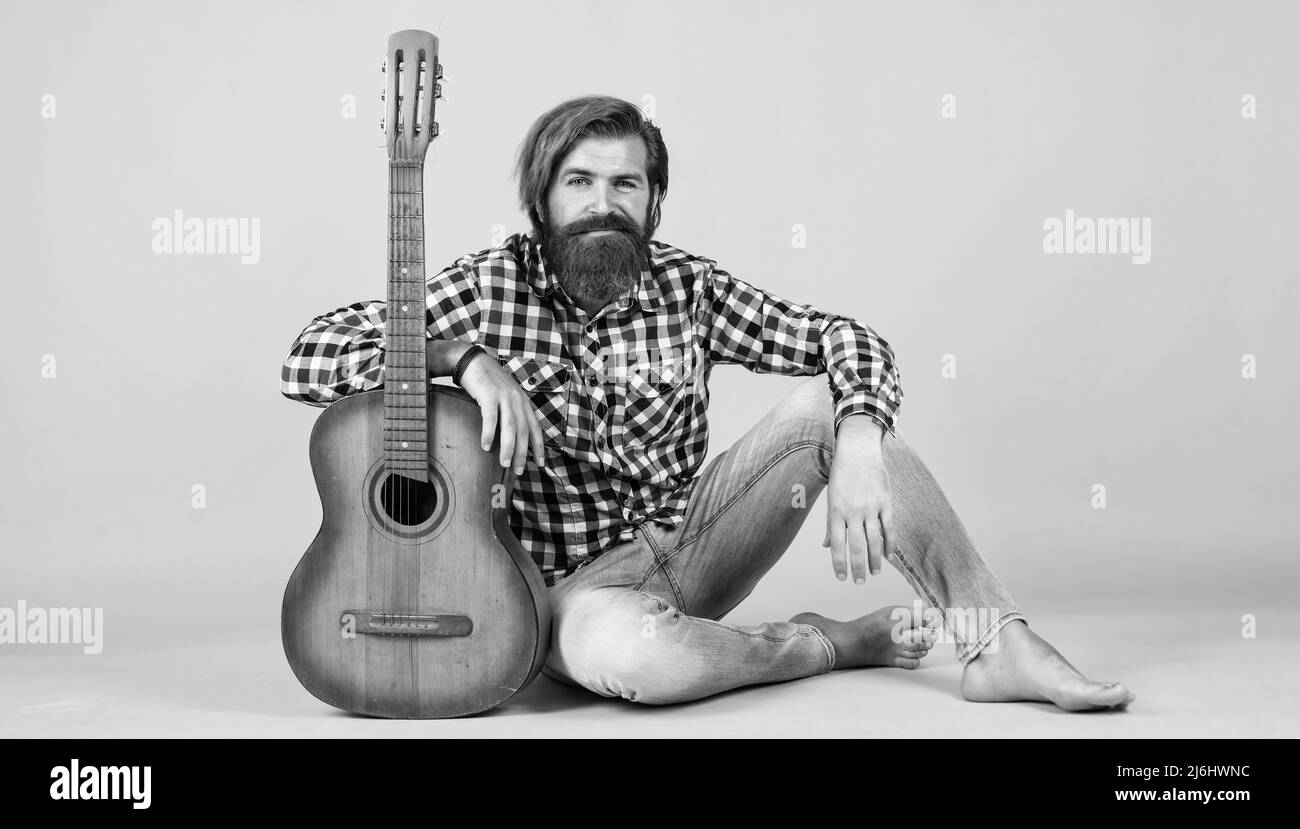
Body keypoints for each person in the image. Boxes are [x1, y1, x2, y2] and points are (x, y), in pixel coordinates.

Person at [281, 95, 1134, 711]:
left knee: (824, 402)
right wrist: (460, 356)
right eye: (579, 183)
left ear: (654, 201)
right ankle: (825, 642)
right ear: (540, 201)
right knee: (637, 660)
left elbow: (845, 338)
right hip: (562, 598)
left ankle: (997, 641)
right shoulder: (488, 285)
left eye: (626, 184)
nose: (601, 205)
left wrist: (863, 436)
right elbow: (308, 355)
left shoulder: (687, 285)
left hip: (695, 544)